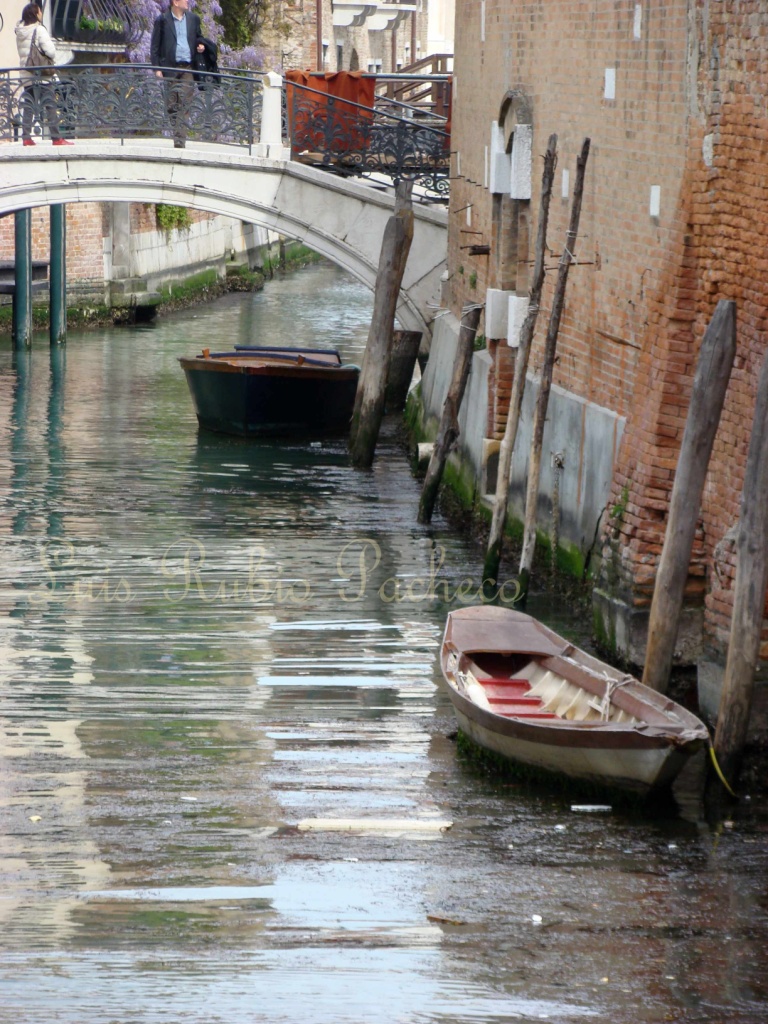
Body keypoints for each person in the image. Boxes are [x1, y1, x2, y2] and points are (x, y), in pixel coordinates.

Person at [150, 0, 206, 149]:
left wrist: (201, 46)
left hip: (188, 67)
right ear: (175, 2)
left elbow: (199, 37)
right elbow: (155, 46)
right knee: (171, 105)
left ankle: (180, 141)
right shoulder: (162, 20)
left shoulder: (194, 19)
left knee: (184, 102)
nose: (187, 1)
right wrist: (157, 68)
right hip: (170, 67)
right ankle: (178, 134)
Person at [15, 2, 72, 146]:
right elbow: (51, 51)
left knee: (29, 104)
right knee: (50, 105)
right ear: (36, 14)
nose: (41, 14)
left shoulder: (20, 32)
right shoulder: (39, 30)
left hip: (27, 74)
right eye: (40, 12)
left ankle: (26, 137)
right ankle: (56, 138)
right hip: (42, 75)